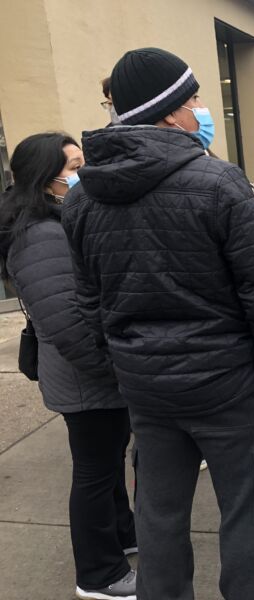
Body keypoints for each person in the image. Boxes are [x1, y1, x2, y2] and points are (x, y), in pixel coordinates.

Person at [61, 47, 254, 600]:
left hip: (147, 390)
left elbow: (89, 302)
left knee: (158, 516)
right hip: (233, 385)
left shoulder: (81, 201)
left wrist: (123, 366)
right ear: (169, 112)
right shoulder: (221, 184)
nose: (200, 110)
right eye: (193, 99)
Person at [0, 133, 136, 600]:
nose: (83, 173)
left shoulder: (61, 220)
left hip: (94, 374)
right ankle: (100, 575)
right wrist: (114, 372)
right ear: (45, 179)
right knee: (95, 473)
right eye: (75, 165)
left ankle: (123, 535)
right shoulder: (41, 235)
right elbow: (69, 324)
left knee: (107, 462)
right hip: (86, 377)